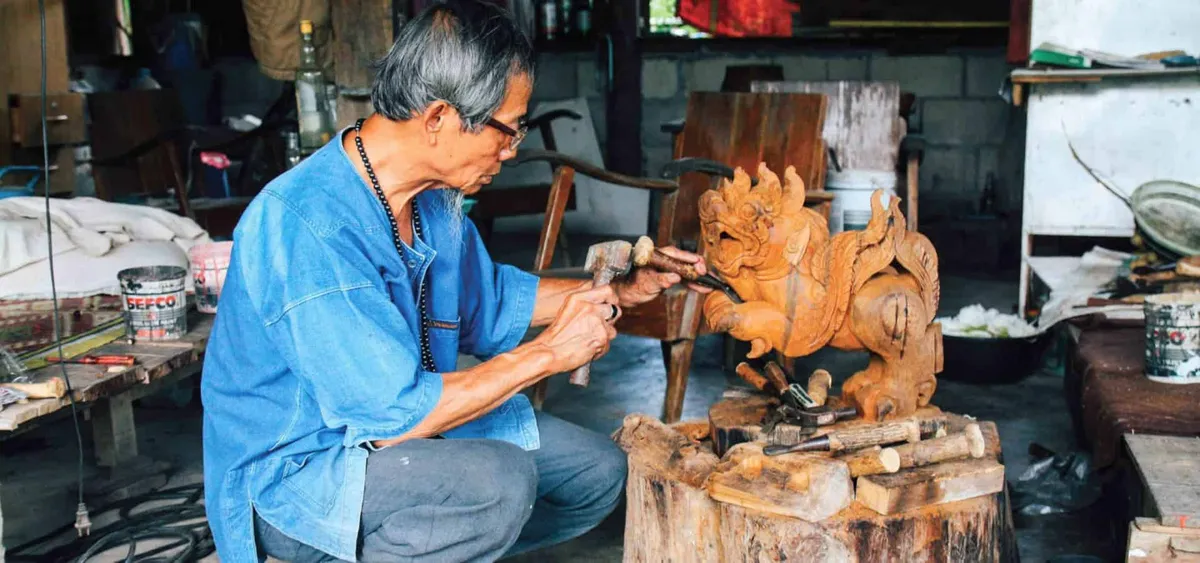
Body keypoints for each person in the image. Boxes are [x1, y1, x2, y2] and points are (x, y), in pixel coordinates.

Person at [200, 1, 712, 561]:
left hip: (400, 436)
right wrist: (547, 354)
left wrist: (621, 289)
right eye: (508, 130)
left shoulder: (435, 206)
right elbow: (394, 415)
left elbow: (488, 303)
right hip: (305, 466)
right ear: (439, 117)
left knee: (596, 473)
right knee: (497, 483)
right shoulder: (306, 224)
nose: (512, 151)